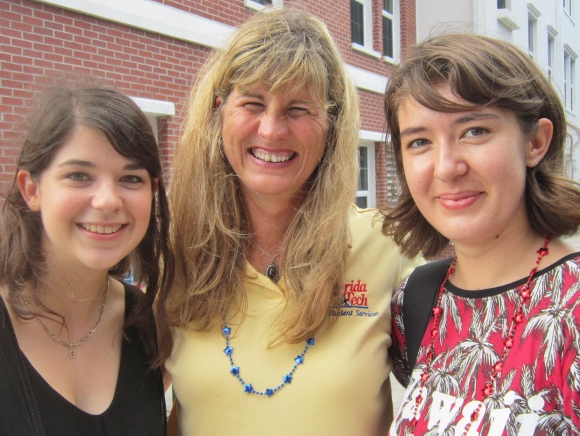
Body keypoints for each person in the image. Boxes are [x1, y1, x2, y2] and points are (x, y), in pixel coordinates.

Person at [156, 8, 420, 435]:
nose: (272, 130)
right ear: (219, 111)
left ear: (331, 125)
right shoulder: (176, 253)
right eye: (253, 103)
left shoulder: (386, 248)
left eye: (298, 109)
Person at [382, 33, 580, 435]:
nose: (446, 167)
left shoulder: (571, 307)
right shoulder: (415, 301)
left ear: (535, 142)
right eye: (420, 142)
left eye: (474, 131)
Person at [0, 82, 172, 435]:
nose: (108, 200)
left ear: (152, 193)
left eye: (130, 178)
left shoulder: (150, 326)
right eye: (79, 176)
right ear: (31, 189)